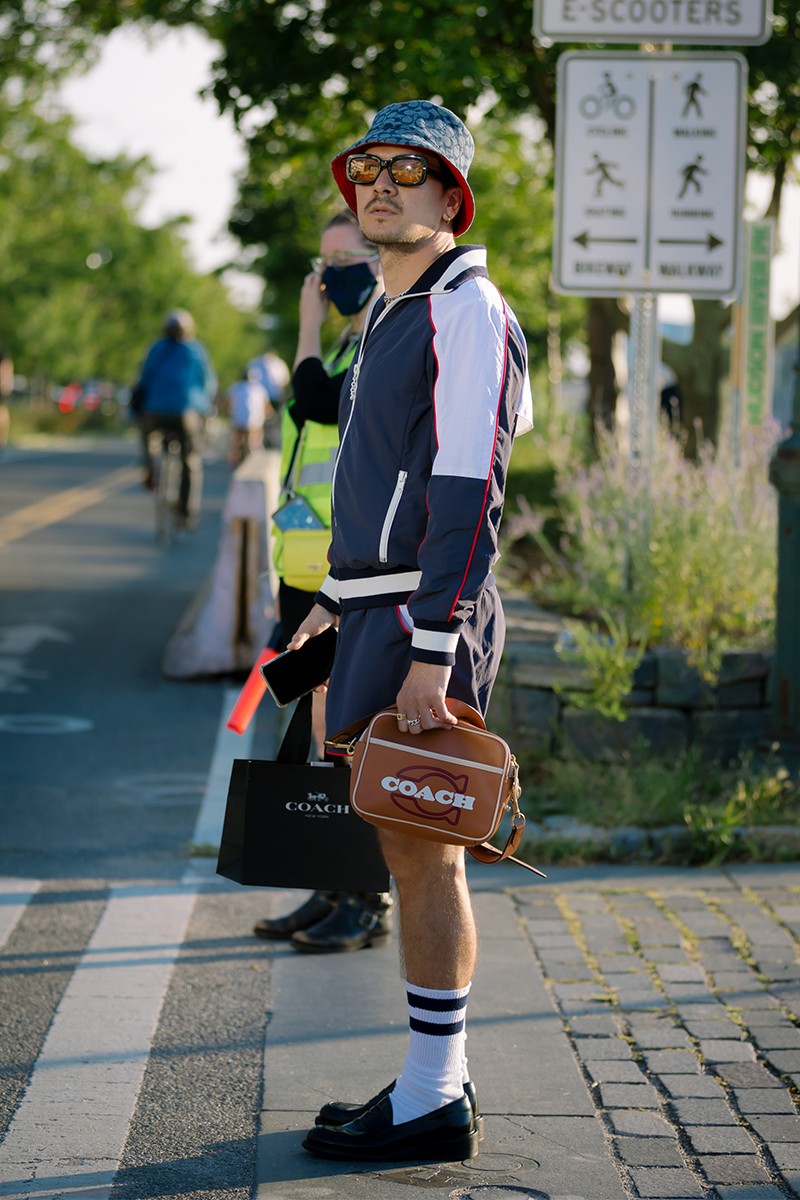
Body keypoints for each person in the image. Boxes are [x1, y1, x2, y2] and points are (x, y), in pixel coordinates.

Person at [289, 101, 532, 1163]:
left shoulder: (465, 308)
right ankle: (435, 1082)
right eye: (366, 169)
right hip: (376, 602)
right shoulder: (393, 308)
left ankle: (435, 1097)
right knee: (404, 840)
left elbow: (466, 483)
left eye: (408, 170)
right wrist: (332, 602)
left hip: (423, 616)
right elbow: (375, 478)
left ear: (450, 197)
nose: (379, 184)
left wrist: (431, 646)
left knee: (426, 851)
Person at [252, 210, 395, 953]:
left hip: (342, 577)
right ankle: (331, 881)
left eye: (343, 260)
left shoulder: (380, 334)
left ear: (380, 259)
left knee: (346, 738)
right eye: (322, 261)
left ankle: (365, 898)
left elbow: (314, 402)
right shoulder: (353, 336)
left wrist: (306, 325)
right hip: (307, 571)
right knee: (318, 736)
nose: (327, 275)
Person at [135, 310, 216, 528]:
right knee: (190, 459)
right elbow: (208, 383)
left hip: (154, 410)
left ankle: (150, 465)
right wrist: (205, 406)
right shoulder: (195, 350)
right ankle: (186, 513)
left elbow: (144, 377)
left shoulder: (156, 348)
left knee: (148, 436)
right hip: (185, 412)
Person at [226, 367, 272, 466]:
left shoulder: (235, 387)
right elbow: (266, 407)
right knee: (256, 436)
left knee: (236, 437)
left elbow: (228, 404)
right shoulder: (260, 389)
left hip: (238, 421)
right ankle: (254, 454)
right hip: (255, 422)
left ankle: (234, 456)